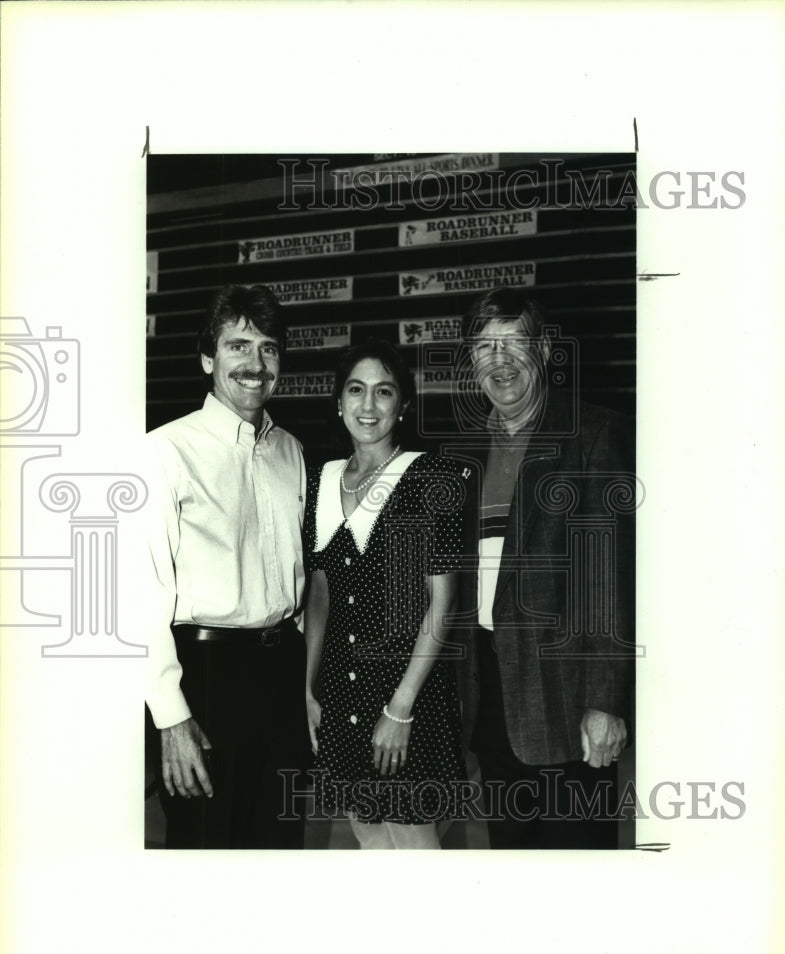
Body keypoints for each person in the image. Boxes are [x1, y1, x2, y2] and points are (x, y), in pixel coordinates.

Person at [456, 286, 636, 849]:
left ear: (546, 352)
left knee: (580, 879)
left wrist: (605, 702)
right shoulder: (461, 451)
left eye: (514, 343)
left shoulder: (592, 434)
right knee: (513, 873)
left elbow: (606, 577)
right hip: (490, 698)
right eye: (485, 346)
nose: (499, 360)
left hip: (568, 702)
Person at [142, 284, 310, 849]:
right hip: (209, 677)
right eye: (238, 346)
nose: (255, 363)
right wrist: (170, 717)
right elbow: (137, 592)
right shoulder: (165, 451)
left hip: (282, 671)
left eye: (269, 348)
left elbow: (299, 582)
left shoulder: (292, 450)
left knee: (281, 847)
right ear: (208, 358)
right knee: (205, 855)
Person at [303, 341, 467, 849]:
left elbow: (442, 606)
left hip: (404, 695)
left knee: (416, 850)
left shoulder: (429, 477)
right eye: (356, 390)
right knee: (370, 843)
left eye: (383, 391)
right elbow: (320, 594)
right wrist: (309, 690)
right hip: (340, 692)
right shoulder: (322, 480)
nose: (368, 406)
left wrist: (401, 708)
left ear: (403, 405)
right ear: (338, 402)